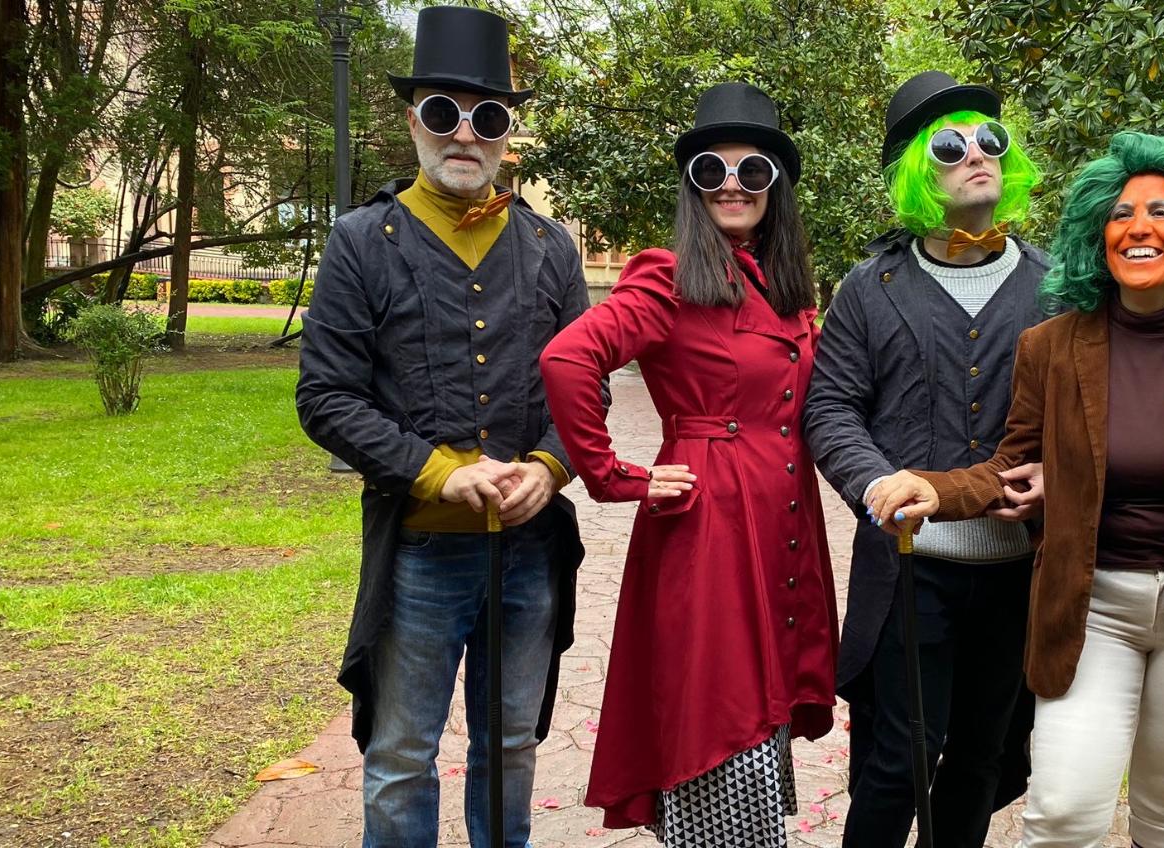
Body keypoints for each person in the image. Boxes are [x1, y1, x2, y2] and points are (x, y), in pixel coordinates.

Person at [868, 131, 1164, 848]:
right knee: (1064, 812)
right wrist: (936, 489)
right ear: (1097, 235)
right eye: (1120, 214)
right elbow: (1013, 464)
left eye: (1161, 212)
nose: (1139, 228)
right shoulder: (1052, 345)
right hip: (1092, 607)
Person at [295, 7, 595, 846]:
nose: (465, 133)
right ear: (413, 121)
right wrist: (439, 471)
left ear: (506, 135)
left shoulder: (552, 248)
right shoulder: (362, 242)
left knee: (511, 746)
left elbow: (586, 389)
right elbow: (327, 396)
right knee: (401, 755)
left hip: (528, 554)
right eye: (443, 112)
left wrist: (551, 466)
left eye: (487, 117)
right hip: (420, 551)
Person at [538, 82, 837, 847]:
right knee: (720, 711)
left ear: (776, 185)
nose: (733, 184)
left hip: (782, 524)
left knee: (762, 705)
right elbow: (569, 358)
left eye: (753, 169)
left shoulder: (782, 286)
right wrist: (614, 475)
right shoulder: (667, 275)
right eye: (712, 169)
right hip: (710, 525)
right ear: (693, 185)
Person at [803, 70, 1048, 848]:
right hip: (912, 568)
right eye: (949, 146)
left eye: (989, 140)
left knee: (980, 756)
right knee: (899, 759)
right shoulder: (869, 288)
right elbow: (830, 406)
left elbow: (1089, 413)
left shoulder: (1056, 287)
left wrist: (1057, 478)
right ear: (917, 170)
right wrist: (875, 481)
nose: (976, 154)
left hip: (1016, 570)